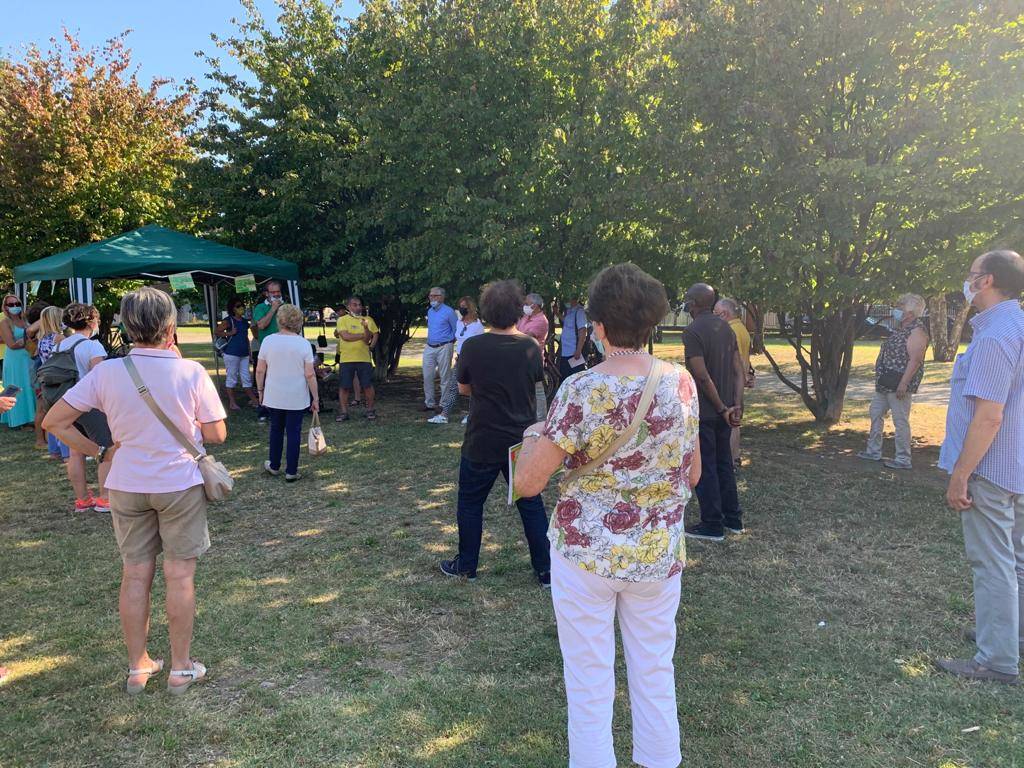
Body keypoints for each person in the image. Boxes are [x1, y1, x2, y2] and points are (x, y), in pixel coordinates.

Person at [513, 263, 701, 768]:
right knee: (655, 670)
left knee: (590, 681)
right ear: (652, 323)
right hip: (658, 553)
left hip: (585, 553)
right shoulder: (681, 383)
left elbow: (529, 482)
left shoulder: (580, 389)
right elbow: (694, 473)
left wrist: (535, 437)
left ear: (597, 325)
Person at [43, 286, 228, 695]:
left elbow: (54, 422)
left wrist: (100, 450)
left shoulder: (107, 372)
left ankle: (137, 666)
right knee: (180, 575)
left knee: (134, 574)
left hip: (125, 484)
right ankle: (181, 667)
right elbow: (216, 433)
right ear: (170, 326)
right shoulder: (190, 371)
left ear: (126, 327)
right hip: (179, 483)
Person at [935, 249, 1024, 685]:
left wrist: (961, 473)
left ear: (987, 280)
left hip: (990, 469)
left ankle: (996, 659)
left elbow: (989, 416)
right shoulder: (1016, 326)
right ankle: (1009, 634)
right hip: (1017, 465)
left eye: (971, 274)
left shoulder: (994, 337)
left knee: (993, 563)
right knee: (1016, 560)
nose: (966, 282)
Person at [439, 279, 550, 585]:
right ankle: (546, 569)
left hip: (482, 438)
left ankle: (467, 566)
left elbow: (463, 388)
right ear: (518, 311)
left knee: (471, 503)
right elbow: (534, 384)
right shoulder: (529, 347)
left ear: (486, 311)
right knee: (531, 503)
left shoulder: (473, 346)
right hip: (520, 439)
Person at [681, 283, 745, 542]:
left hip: (708, 411)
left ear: (694, 303)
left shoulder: (693, 331)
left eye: (687, 299)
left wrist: (719, 407)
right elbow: (738, 369)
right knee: (724, 463)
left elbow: (702, 376)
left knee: (706, 465)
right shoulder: (726, 329)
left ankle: (712, 524)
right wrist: (735, 406)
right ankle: (733, 518)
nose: (685, 303)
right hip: (728, 409)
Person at [856, 294, 929, 470]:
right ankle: (873, 451)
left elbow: (915, 360)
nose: (896, 309)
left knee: (900, 420)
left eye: (900, 307)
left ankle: (903, 459)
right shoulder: (901, 328)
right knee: (876, 413)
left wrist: (903, 384)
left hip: (898, 384)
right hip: (885, 382)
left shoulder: (917, 331)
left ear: (910, 313)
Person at [55, 303, 113, 513]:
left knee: (75, 451)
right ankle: (105, 497)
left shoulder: (60, 344)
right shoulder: (92, 346)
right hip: (89, 404)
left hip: (65, 404)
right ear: (91, 321)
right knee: (106, 449)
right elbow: (100, 378)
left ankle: (82, 499)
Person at [256, 304, 319, 481]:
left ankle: (274, 465)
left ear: (279, 320)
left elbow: (260, 370)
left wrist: (260, 390)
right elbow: (310, 374)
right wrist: (316, 397)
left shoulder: (268, 340)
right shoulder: (303, 343)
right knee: (294, 432)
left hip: (274, 394)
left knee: (276, 429)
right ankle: (292, 470)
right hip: (297, 396)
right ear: (298, 322)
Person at [429, 296, 484, 425]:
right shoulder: (459, 322)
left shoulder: (477, 325)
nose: (461, 308)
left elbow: (481, 344)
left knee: (473, 388)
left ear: (470, 307)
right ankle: (444, 415)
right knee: (454, 387)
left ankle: (472, 414)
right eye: (460, 305)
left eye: (464, 306)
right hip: (460, 359)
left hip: (473, 360)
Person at [714, 298, 752, 467]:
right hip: (738, 382)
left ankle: (730, 459)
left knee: (730, 421)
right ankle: (734, 457)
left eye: (715, 313)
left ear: (724, 313)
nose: (713, 317)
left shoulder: (730, 330)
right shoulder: (742, 328)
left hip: (730, 382)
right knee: (735, 422)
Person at [334, 296, 379, 422]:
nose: (358, 307)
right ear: (348, 306)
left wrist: (366, 332)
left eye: (359, 304)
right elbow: (345, 336)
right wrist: (363, 334)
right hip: (346, 359)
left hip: (364, 358)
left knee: (367, 385)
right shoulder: (342, 320)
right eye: (354, 305)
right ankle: (343, 412)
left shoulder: (368, 320)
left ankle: (370, 410)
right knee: (344, 386)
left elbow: (369, 338)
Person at [34, 306, 70, 461]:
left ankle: (53, 450)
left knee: (51, 416)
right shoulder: (59, 338)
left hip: (45, 380)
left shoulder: (42, 338)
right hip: (59, 380)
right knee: (64, 418)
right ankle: (66, 452)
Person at [0, 294, 37, 430]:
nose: (15, 307)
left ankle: (33, 418)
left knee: (30, 385)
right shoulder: (4, 322)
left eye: (17, 304)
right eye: (11, 304)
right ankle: (19, 420)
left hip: (28, 357)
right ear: (5, 307)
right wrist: (28, 340)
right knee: (19, 386)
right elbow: (11, 344)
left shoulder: (26, 319)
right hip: (15, 360)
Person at [216, 297, 259, 411]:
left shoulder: (245, 322)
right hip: (231, 353)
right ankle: (232, 403)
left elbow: (246, 338)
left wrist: (249, 354)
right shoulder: (228, 320)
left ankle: (254, 400)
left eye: (242, 306)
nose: (241, 308)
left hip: (244, 354)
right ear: (233, 309)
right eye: (238, 306)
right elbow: (217, 331)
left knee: (246, 378)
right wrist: (230, 333)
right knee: (232, 378)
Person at [252, 281, 285, 421]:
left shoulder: (286, 307)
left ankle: (282, 408)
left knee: (282, 379)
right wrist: (273, 309)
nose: (277, 295)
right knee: (265, 379)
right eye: (273, 292)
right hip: (267, 349)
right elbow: (262, 325)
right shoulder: (260, 308)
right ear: (266, 294)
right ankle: (264, 409)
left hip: (284, 349)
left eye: (278, 292)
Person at [422, 286, 458, 412]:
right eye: (431, 295)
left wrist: (449, 343)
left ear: (442, 297)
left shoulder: (449, 312)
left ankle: (443, 404)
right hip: (429, 346)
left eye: (435, 296)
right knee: (427, 376)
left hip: (444, 346)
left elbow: (456, 330)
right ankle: (429, 403)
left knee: (445, 377)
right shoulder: (430, 311)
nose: (432, 298)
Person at [557, 296, 589, 382]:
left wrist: (578, 350)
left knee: (575, 379)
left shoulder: (579, 312)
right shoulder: (570, 311)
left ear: (574, 299)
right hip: (565, 352)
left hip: (574, 353)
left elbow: (583, 331)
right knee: (565, 378)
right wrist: (557, 313)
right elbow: (566, 322)